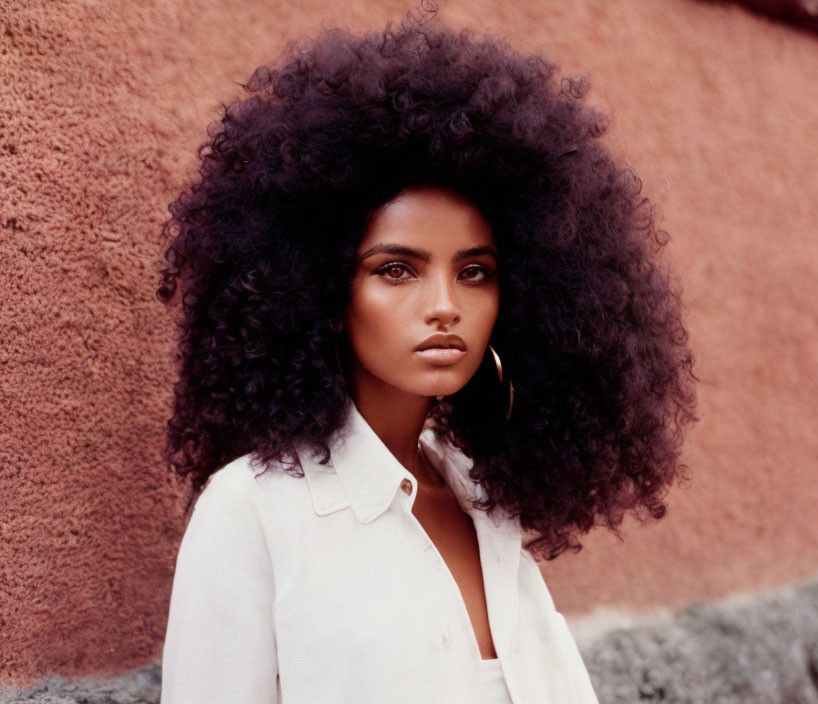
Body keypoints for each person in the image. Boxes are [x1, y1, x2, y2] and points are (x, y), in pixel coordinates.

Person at [157, 11, 696, 704]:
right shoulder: (254, 513)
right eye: (397, 270)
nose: (445, 305)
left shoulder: (484, 500)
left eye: (475, 272)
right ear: (322, 291)